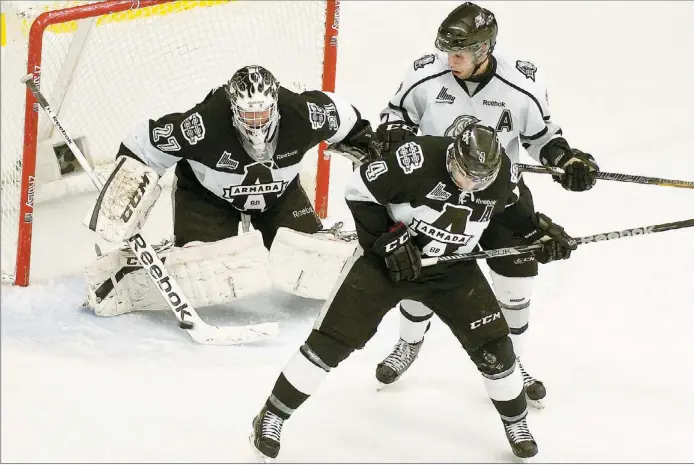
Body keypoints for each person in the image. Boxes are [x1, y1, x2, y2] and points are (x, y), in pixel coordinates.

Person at [250, 123, 577, 461]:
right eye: (465, 174)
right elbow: (358, 190)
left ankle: (517, 423)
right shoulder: (417, 158)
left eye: (481, 179)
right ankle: (272, 415)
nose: (471, 184)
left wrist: (541, 239)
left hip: (453, 269)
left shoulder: (504, 176)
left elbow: (516, 218)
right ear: (453, 156)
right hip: (385, 265)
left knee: (495, 347)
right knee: (331, 341)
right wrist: (386, 238)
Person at [374, 2, 599, 406]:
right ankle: (409, 342)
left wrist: (566, 160)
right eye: (447, 50)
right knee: (418, 269)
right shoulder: (425, 73)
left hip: (500, 196)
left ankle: (514, 361)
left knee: (516, 282)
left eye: (460, 52)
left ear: (484, 49)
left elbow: (542, 138)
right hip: (435, 193)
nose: (450, 59)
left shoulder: (522, 83)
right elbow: (396, 116)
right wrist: (394, 135)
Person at [81, 65, 378, 317]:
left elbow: (347, 117)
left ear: (275, 106)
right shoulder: (203, 124)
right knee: (203, 267)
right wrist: (125, 192)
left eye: (262, 114)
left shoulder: (304, 114)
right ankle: (125, 273)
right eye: (248, 116)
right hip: (208, 198)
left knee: (309, 255)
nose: (256, 123)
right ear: (233, 109)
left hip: (279, 197)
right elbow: (143, 144)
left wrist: (366, 144)